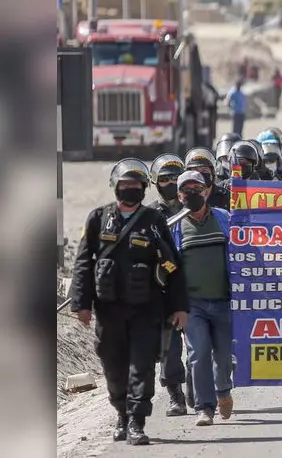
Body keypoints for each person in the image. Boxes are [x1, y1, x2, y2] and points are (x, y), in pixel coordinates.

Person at [70, 159, 188, 445]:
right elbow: (83, 263)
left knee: (141, 367)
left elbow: (172, 265)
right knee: (114, 368)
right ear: (115, 187)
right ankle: (121, 413)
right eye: (125, 185)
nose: (130, 189)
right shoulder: (98, 218)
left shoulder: (154, 221)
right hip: (108, 311)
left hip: (146, 310)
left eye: (136, 185)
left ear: (144, 188)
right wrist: (81, 304)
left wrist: (179, 306)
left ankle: (136, 422)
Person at [171, 171, 235, 426]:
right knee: (198, 354)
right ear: (179, 196)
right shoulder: (174, 226)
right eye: (186, 190)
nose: (192, 194)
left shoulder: (224, 218)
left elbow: (244, 250)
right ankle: (204, 408)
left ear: (206, 191)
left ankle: (223, 391)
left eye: (197, 189)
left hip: (223, 300)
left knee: (223, 354)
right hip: (192, 305)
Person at [149, 154, 188, 416]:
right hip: (166, 288)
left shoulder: (195, 205)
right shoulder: (149, 215)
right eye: (165, 179)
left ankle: (204, 389)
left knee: (203, 344)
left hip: (197, 285)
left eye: (176, 178)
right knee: (170, 347)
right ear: (155, 182)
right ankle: (175, 394)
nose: (171, 183)